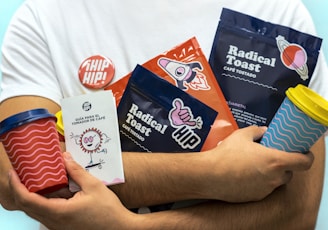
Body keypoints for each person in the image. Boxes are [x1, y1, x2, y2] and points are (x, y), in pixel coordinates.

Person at [0, 0, 327, 229]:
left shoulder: (276, 10)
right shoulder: (44, 16)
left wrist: (128, 228)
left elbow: (297, 213)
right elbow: (21, 177)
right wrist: (211, 174)